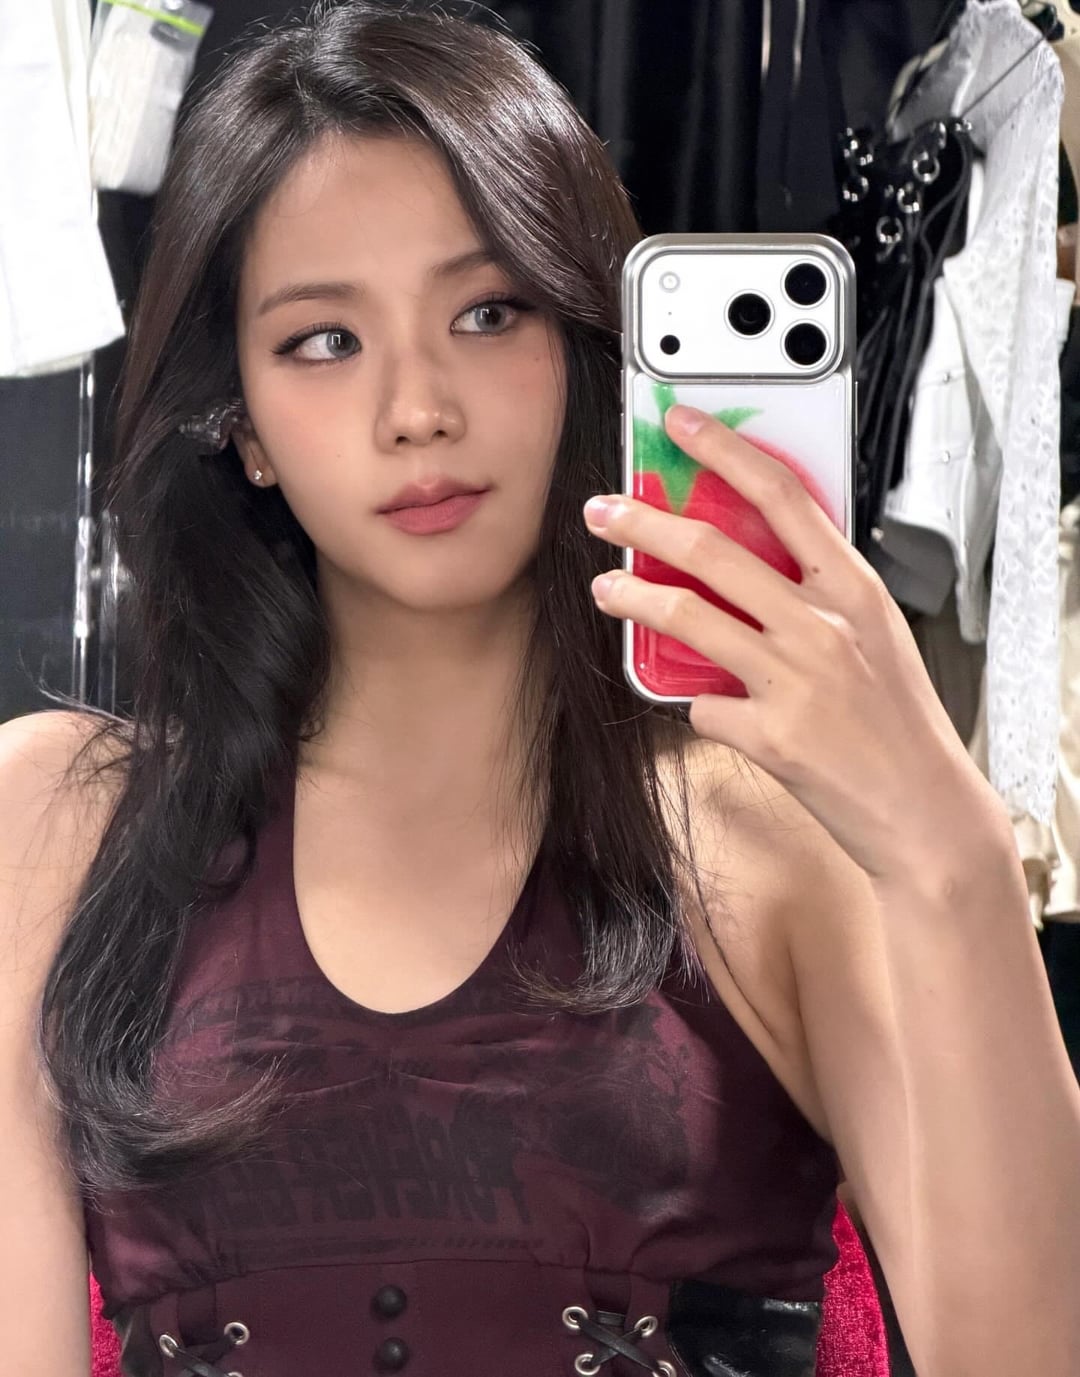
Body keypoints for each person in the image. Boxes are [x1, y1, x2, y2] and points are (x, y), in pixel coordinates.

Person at [2, 3, 1078, 1375]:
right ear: (243, 424)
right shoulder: (53, 830)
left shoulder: (769, 842)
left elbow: (1027, 1353)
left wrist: (952, 852)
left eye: (487, 312)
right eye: (324, 340)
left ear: (577, 342)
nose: (418, 408)